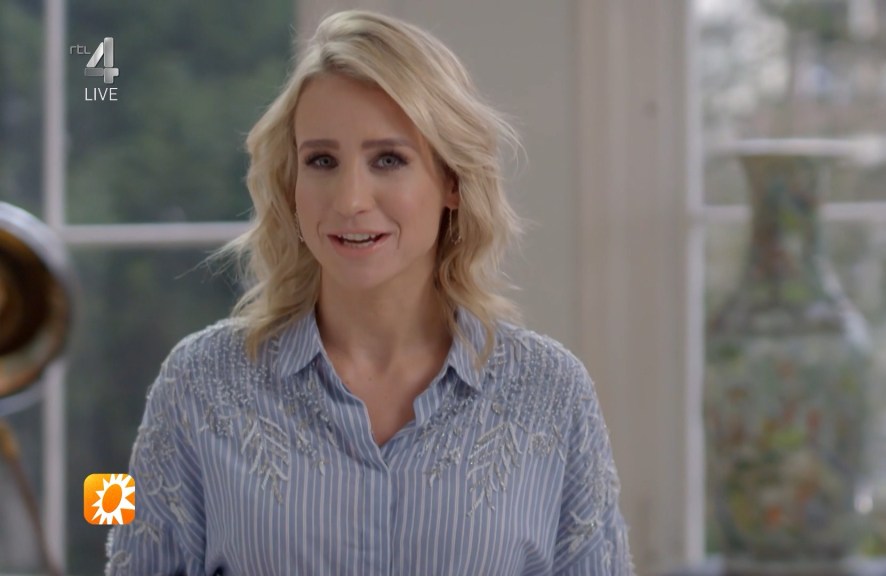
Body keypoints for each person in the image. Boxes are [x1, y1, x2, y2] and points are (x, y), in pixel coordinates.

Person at [105, 9, 633, 576]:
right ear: (291, 182)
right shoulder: (197, 386)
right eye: (322, 161)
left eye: (388, 160)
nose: (351, 199)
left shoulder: (552, 395)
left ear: (452, 181)